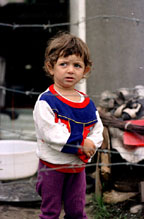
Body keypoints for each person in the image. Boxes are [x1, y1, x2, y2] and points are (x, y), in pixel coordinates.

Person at [33, 32, 104, 219]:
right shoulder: (46, 101)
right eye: (63, 64)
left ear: (85, 70)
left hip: (77, 168)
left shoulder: (87, 103)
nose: (70, 70)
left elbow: (97, 129)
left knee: (76, 211)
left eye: (77, 65)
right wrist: (81, 143)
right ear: (51, 67)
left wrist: (92, 144)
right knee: (50, 211)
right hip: (52, 167)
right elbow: (51, 133)